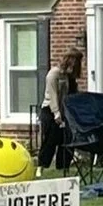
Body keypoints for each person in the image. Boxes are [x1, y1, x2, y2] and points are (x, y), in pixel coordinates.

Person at [40, 46, 83, 174]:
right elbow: (53, 95)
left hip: (66, 112)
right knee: (50, 140)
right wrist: (56, 113)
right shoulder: (54, 74)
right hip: (50, 110)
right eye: (74, 61)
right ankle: (41, 166)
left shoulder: (70, 77)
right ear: (68, 59)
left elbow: (72, 95)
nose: (75, 65)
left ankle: (63, 167)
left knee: (68, 139)